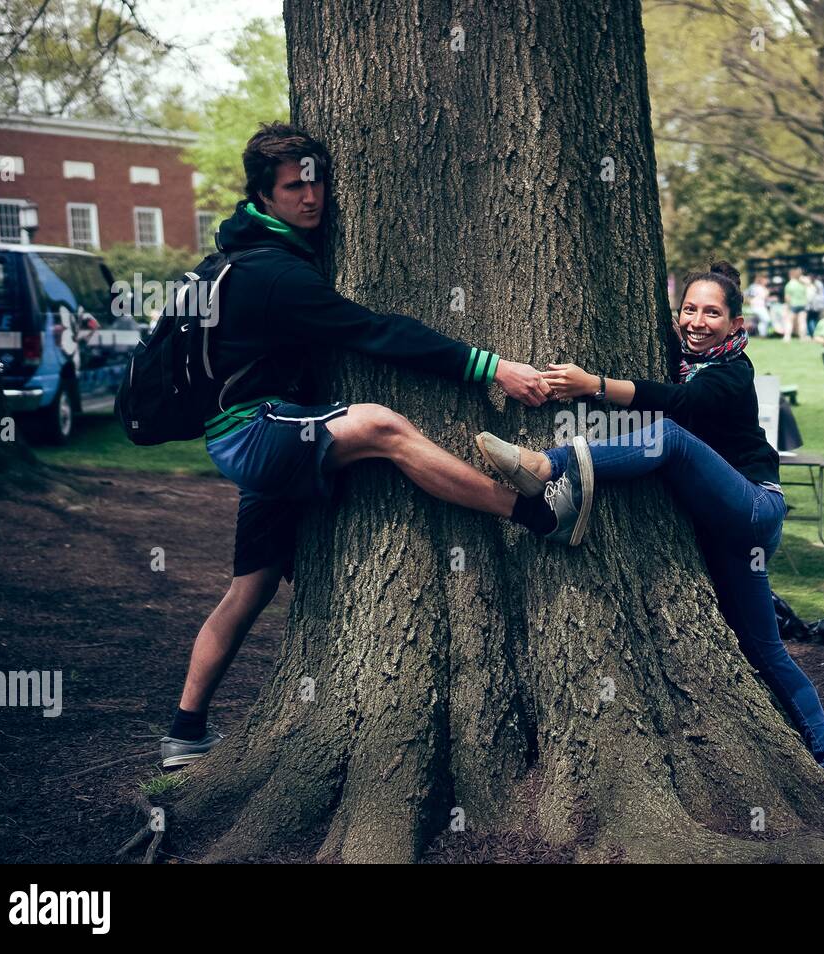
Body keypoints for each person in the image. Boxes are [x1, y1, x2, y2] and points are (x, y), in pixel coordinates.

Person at [159, 123, 555, 769]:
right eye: (294, 187)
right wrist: (491, 367)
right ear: (263, 193)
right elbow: (374, 332)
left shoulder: (241, 254)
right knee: (382, 428)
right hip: (254, 431)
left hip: (251, 434)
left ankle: (184, 732)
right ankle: (534, 512)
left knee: (249, 588)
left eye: (317, 182)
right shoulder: (273, 275)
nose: (312, 198)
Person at [481, 261, 824, 791]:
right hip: (723, 533)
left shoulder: (732, 373)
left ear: (735, 324)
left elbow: (678, 405)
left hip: (755, 508)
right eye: (689, 309)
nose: (697, 321)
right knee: (765, 649)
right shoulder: (687, 358)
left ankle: (546, 465)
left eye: (713, 313)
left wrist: (592, 385)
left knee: (669, 435)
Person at [782, 268, 809, 340]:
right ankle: (802, 337)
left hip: (793, 305)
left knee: (789, 321)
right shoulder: (802, 285)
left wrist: (787, 307)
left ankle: (787, 337)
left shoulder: (789, 285)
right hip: (802, 305)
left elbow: (787, 298)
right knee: (802, 322)